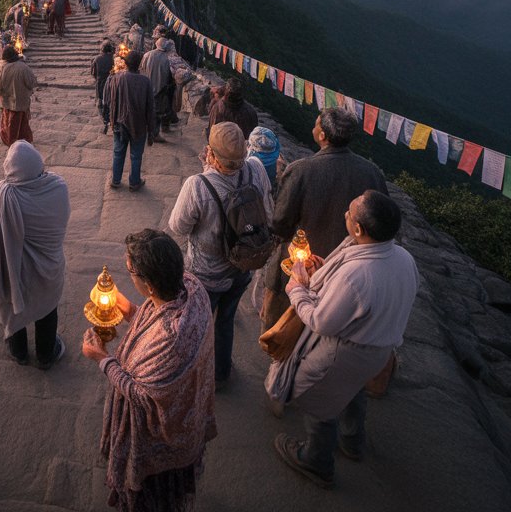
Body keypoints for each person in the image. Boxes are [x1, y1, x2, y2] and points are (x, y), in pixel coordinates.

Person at [272, 190, 419, 488]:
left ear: (358, 230)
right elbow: (365, 298)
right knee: (353, 391)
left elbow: (321, 321)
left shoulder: (356, 274)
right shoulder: (403, 258)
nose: (345, 215)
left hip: (345, 353)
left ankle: (316, 460)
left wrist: (298, 288)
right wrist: (327, 273)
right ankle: (352, 440)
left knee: (320, 403)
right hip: (378, 352)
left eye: (350, 213)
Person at [82, 229, 216, 512]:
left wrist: (102, 358)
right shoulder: (193, 287)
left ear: (151, 285)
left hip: (162, 438)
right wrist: (129, 308)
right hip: (190, 414)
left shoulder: (170, 341)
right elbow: (155, 314)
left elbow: (143, 394)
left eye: (130, 270)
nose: (128, 274)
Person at [261, 107, 389, 329]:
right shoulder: (372, 174)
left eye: (316, 123)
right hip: (348, 273)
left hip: (299, 266)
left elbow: (281, 222)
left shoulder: (300, 170)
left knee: (283, 329)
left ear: (322, 135)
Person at [167, 122, 273, 388]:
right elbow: (268, 213)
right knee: (225, 320)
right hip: (243, 267)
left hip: (206, 273)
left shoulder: (198, 185)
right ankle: (221, 372)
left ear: (210, 153)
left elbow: (178, 226)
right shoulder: (257, 170)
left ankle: (188, 373)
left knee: (196, 324)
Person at [0, 141, 70, 369]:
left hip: (13, 269)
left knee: (12, 297)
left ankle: (18, 350)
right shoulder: (58, 187)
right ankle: (46, 353)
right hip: (48, 269)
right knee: (47, 308)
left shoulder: (0, 195)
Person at [107, 50, 155, 191]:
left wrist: (112, 120)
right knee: (136, 155)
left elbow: (112, 101)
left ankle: (116, 180)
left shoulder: (117, 78)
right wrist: (151, 131)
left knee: (118, 152)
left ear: (126, 63)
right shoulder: (145, 81)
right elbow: (150, 108)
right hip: (139, 125)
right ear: (139, 64)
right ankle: (134, 182)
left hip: (119, 123)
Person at [0, 44, 39, 147]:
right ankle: (23, 141)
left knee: (8, 124)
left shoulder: (5, 67)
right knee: (22, 123)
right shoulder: (24, 67)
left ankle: (11, 142)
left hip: (7, 101)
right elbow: (31, 83)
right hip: (21, 101)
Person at [140, 38, 175, 135]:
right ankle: (156, 133)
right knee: (159, 111)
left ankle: (148, 129)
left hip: (147, 87)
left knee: (148, 109)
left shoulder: (147, 55)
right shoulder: (168, 58)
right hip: (162, 88)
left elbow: (141, 69)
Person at [90, 41, 115, 134]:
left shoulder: (96, 59)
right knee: (111, 101)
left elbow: (93, 73)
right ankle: (112, 120)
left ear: (102, 49)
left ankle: (105, 122)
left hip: (100, 84)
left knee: (101, 102)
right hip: (111, 84)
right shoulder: (113, 59)